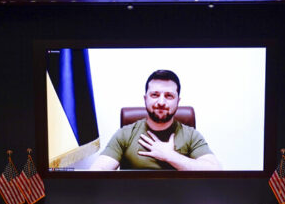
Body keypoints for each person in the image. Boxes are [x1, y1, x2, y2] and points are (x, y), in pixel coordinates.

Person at [90, 69, 220, 170]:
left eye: (169, 96)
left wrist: (170, 156)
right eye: (155, 95)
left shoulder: (191, 135)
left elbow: (215, 170)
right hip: (134, 202)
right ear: (145, 98)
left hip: (178, 203)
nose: (161, 102)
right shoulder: (125, 134)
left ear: (178, 101)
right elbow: (98, 170)